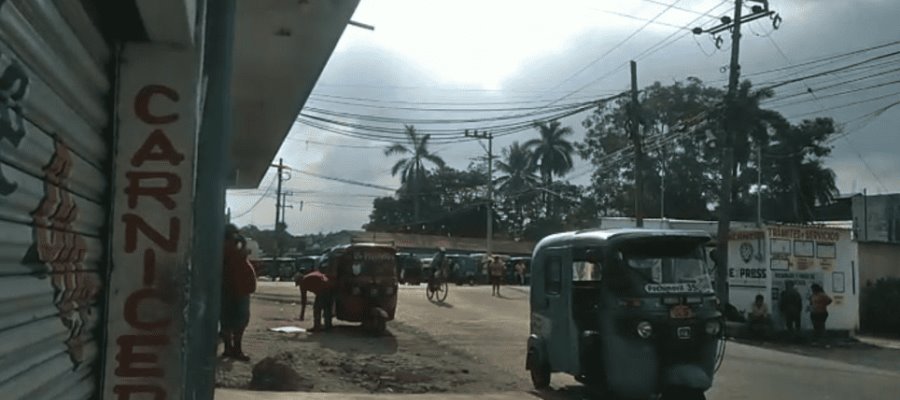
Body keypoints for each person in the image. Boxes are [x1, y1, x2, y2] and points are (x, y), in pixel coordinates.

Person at [220, 224, 257, 361]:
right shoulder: (229, 250)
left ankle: (232, 349)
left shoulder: (233, 249)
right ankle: (234, 349)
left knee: (232, 321)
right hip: (234, 289)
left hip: (238, 289)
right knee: (235, 321)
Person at [296, 265, 336, 331]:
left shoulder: (303, 282)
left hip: (323, 290)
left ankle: (317, 327)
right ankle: (328, 326)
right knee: (327, 308)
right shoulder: (311, 275)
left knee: (317, 308)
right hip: (330, 288)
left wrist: (302, 315)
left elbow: (304, 300)